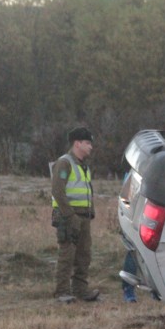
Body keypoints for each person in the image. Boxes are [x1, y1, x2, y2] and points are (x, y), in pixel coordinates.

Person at [51, 127, 100, 303]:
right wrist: (70, 216)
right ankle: (62, 292)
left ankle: (80, 290)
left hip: (83, 216)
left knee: (83, 255)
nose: (90, 147)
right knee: (67, 254)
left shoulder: (82, 165)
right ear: (77, 143)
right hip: (68, 216)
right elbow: (57, 190)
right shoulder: (65, 163)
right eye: (87, 143)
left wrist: (89, 212)